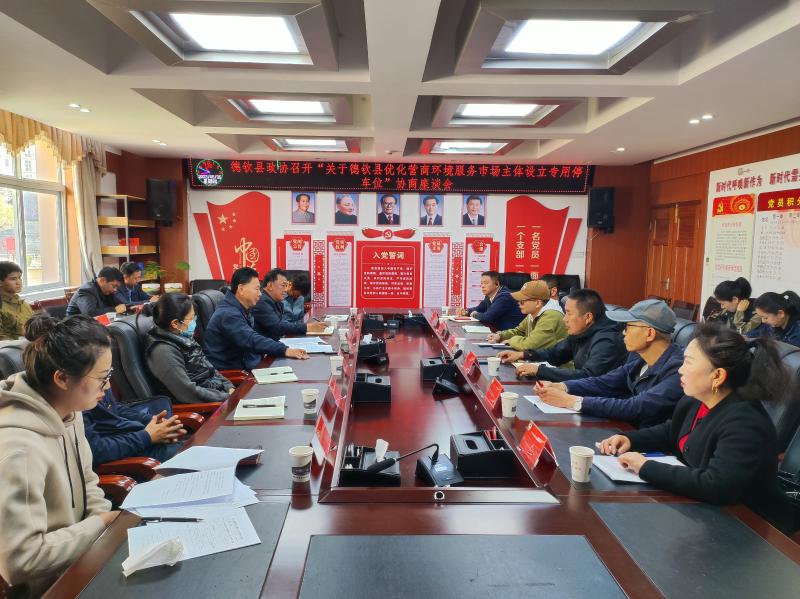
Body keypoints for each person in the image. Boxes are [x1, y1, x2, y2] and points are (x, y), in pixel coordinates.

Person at [598, 325, 793, 529]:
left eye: (688, 362)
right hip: (704, 512)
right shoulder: (696, 400)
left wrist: (645, 467)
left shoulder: (745, 424)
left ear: (717, 376)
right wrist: (631, 439)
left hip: (751, 526)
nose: (680, 370)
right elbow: (672, 431)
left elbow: (715, 484)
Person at [0, 314, 118, 596]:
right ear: (62, 378)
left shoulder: (68, 411)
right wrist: (101, 525)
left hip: (85, 559)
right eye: (102, 378)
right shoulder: (19, 449)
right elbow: (21, 560)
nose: (108, 387)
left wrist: (102, 529)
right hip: (49, 587)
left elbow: (88, 481)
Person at [536, 299, 684, 427]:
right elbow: (604, 382)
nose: (623, 332)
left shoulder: (678, 369)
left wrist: (572, 401)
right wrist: (562, 386)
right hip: (625, 432)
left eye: (628, 327)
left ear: (649, 333)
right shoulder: (639, 360)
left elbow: (637, 406)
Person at [498, 289, 626, 382]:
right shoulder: (581, 331)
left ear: (588, 317)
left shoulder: (606, 340)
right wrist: (523, 355)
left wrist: (540, 371)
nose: (564, 319)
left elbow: (588, 377)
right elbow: (555, 354)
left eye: (569, 313)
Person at [203, 267, 309, 371]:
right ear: (241, 289)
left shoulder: (241, 308)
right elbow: (251, 339)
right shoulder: (228, 314)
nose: (259, 293)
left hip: (249, 361)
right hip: (234, 373)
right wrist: (285, 350)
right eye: (257, 289)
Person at [145, 293, 235, 403]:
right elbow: (187, 391)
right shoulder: (163, 351)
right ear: (175, 323)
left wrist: (228, 386)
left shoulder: (183, 338)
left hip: (217, 396)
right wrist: (226, 397)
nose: (195, 321)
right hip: (203, 408)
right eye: (191, 318)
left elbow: (210, 369)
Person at [486, 280, 566, 351]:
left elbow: (530, 345)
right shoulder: (533, 313)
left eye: (522, 301)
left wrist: (511, 341)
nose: (518, 304)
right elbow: (519, 331)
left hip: (554, 363)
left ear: (538, 303)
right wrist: (500, 336)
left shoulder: (551, 316)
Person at [252, 268, 327, 340]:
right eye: (283, 285)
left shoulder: (275, 301)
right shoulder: (262, 301)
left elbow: (282, 323)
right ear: (270, 286)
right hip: (266, 346)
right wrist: (307, 327)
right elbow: (277, 327)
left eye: (286, 286)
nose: (286, 289)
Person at [458, 270, 523, 330]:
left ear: (497, 284)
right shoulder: (489, 296)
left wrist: (474, 314)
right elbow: (479, 309)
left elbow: (488, 317)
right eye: (481, 283)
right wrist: (467, 311)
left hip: (509, 334)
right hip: (496, 332)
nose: (482, 286)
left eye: (486, 283)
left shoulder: (504, 297)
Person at [0, 261, 34, 340]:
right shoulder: (2, 307)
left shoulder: (23, 304)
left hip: (31, 344)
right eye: (13, 279)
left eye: (19, 277)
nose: (19, 282)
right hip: (12, 346)